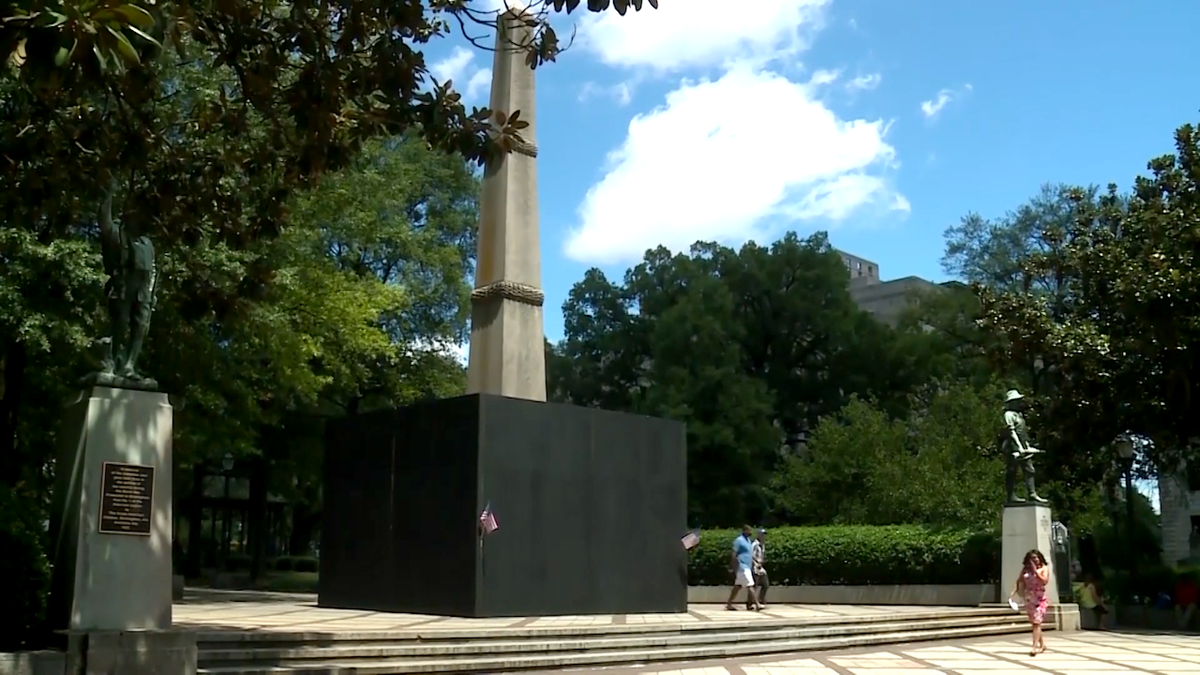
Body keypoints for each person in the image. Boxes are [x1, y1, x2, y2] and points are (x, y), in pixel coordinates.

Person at [1014, 549, 1050, 655]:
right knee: (1035, 624)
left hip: (1040, 599)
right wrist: (1016, 592)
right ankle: (1042, 644)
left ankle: (1034, 647)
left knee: (1036, 622)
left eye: (1036, 557)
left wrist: (1036, 572)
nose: (1035, 560)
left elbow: (1044, 581)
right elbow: (1019, 580)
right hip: (1029, 599)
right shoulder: (1025, 570)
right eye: (1032, 558)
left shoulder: (1043, 568)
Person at [726, 525, 762, 611]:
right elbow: (734, 554)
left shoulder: (748, 541)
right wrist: (734, 566)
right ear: (744, 531)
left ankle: (729, 604)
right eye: (749, 530)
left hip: (747, 567)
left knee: (737, 586)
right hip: (742, 566)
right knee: (750, 585)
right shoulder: (739, 541)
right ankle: (757, 604)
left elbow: (750, 555)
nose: (751, 532)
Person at [745, 528, 769, 610]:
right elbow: (751, 556)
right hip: (755, 567)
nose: (764, 536)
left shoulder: (762, 545)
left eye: (764, 535)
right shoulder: (755, 545)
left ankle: (760, 600)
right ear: (758, 535)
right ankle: (749, 603)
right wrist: (755, 564)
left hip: (760, 567)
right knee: (754, 586)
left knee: (765, 584)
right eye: (762, 534)